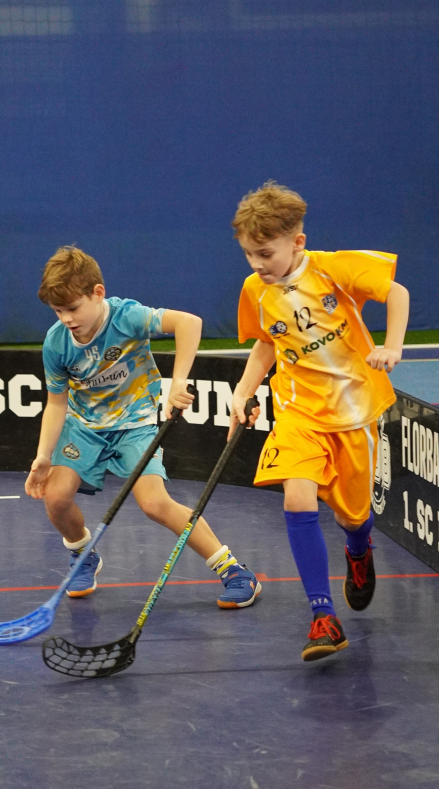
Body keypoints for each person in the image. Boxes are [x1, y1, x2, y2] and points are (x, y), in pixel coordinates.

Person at [228, 182, 409, 660]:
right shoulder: (255, 290)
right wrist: (243, 391)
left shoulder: (333, 269)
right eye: (248, 254)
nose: (257, 264)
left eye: (266, 253)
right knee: (297, 495)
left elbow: (397, 292)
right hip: (298, 412)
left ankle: (358, 550)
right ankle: (323, 616)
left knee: (353, 517)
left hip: (353, 413)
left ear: (298, 242)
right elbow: (266, 343)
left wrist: (392, 345)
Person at [25, 245, 261, 609]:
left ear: (98, 293)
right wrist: (43, 456)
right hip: (84, 426)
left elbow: (189, 323)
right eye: (58, 311)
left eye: (72, 308)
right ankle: (82, 553)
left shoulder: (127, 317)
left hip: (135, 422)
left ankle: (233, 570)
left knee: (154, 503)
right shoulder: (57, 343)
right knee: (55, 499)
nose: (66, 318)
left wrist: (178, 381)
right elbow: (56, 403)